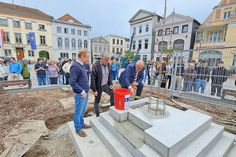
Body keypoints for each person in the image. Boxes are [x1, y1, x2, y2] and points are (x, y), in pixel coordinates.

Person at [70, 49, 91, 137]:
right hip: (80, 93)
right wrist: (81, 91)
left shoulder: (82, 65)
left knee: (82, 110)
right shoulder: (75, 66)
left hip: (85, 92)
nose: (88, 59)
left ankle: (81, 123)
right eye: (87, 57)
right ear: (82, 56)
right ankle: (78, 129)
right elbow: (72, 82)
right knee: (78, 112)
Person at [90, 53, 114, 117]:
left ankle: (112, 108)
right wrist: (94, 90)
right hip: (98, 86)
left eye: (108, 60)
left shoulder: (109, 65)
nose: (108, 61)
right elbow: (93, 78)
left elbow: (110, 75)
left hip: (105, 85)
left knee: (113, 94)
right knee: (97, 100)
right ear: (102, 58)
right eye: (106, 60)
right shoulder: (96, 65)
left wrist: (110, 83)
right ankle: (97, 114)